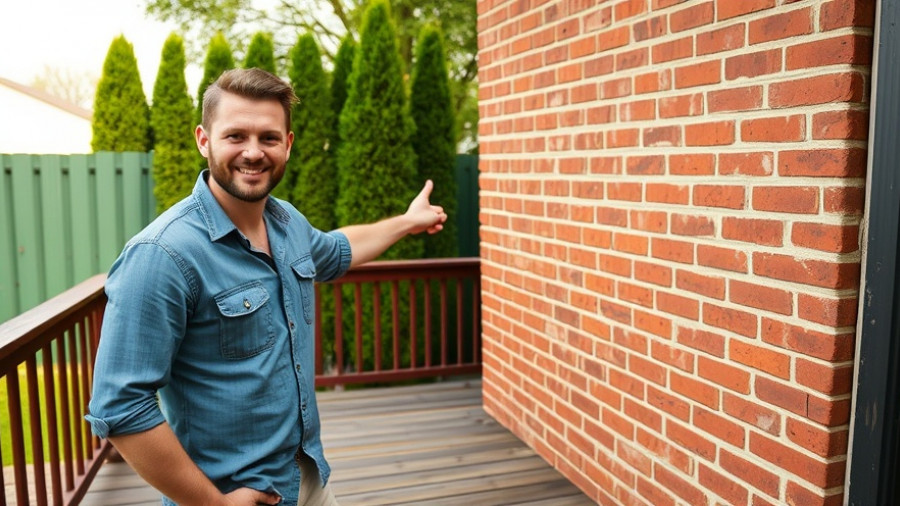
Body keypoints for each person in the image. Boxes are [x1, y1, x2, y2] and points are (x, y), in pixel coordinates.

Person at [86, 67, 447, 506]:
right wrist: (214, 503)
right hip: (227, 495)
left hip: (308, 475)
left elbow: (334, 250)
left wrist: (408, 223)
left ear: (288, 145)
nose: (253, 153)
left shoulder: (286, 222)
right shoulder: (161, 255)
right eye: (236, 136)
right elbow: (120, 407)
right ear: (204, 139)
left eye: (269, 138)